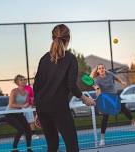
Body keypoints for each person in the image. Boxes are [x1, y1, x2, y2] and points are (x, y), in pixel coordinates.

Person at [33, 24, 95, 152]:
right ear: (68, 38)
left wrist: (38, 111)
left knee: (52, 146)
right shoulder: (70, 58)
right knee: (72, 147)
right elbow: (71, 85)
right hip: (58, 107)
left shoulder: (44, 58)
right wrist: (85, 98)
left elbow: (36, 86)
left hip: (42, 107)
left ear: (53, 38)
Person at [90, 64, 135, 146]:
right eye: (99, 68)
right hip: (106, 99)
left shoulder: (109, 74)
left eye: (103, 68)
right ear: (98, 71)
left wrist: (122, 82)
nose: (102, 69)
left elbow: (116, 78)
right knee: (105, 117)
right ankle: (102, 139)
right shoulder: (97, 80)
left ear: (105, 69)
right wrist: (99, 101)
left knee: (123, 108)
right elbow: (98, 91)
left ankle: (133, 123)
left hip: (114, 96)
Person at [6, 74, 33, 152]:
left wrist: (29, 104)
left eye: (24, 79)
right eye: (21, 80)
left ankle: (29, 149)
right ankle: (14, 149)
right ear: (17, 82)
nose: (23, 81)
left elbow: (27, 104)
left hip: (19, 113)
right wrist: (22, 105)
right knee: (21, 129)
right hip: (10, 114)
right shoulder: (14, 91)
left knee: (28, 130)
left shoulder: (27, 92)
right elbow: (11, 104)